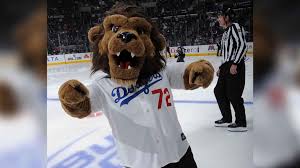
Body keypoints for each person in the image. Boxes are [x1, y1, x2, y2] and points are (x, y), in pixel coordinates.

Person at [214, 6, 248, 132]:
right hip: (226, 66)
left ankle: (241, 122)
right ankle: (227, 117)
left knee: (234, 94)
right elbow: (225, 53)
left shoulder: (235, 27)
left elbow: (242, 46)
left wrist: (235, 63)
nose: (218, 19)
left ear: (227, 17)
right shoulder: (225, 33)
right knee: (219, 91)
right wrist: (221, 67)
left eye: (220, 16)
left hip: (235, 65)